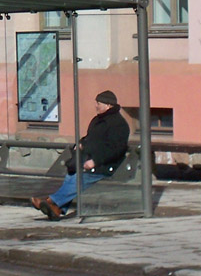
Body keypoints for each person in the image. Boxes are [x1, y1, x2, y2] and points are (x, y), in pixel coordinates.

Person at [31, 90, 131, 221]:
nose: (96, 105)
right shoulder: (98, 120)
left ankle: (51, 202)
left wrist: (95, 161)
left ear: (108, 105)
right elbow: (90, 138)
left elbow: (115, 149)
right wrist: (81, 143)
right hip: (90, 160)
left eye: (98, 103)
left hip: (106, 165)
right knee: (71, 174)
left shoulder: (118, 124)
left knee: (79, 178)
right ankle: (57, 208)